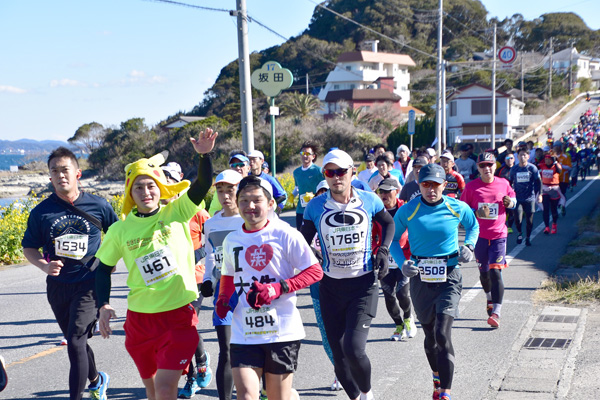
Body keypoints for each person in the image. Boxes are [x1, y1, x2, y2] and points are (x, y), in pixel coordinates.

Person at [95, 129, 217, 400]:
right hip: (140, 320)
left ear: (160, 188)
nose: (146, 192)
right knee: (152, 391)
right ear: (130, 191)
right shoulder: (119, 230)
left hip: (179, 315)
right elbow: (102, 269)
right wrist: (103, 304)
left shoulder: (178, 211)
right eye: (138, 186)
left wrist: (205, 155)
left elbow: (202, 183)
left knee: (164, 388)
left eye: (151, 185)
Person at [21, 146, 117, 400]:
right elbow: (28, 246)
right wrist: (44, 265)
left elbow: (119, 235)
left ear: (78, 173)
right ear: (50, 177)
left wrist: (110, 262)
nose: (60, 175)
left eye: (65, 170)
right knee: (78, 342)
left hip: (90, 282)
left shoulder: (98, 205)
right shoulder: (41, 212)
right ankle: (96, 380)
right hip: (58, 286)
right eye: (55, 171)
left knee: (75, 342)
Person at [214, 176, 323, 400]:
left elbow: (315, 271)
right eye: (243, 200)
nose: (250, 206)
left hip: (281, 331)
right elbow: (227, 274)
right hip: (244, 331)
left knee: (277, 398)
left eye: (257, 200)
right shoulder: (232, 240)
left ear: (271, 204)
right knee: (246, 396)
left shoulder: (286, 234)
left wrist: (278, 288)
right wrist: (223, 299)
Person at [301, 149, 394, 400]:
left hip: (363, 285)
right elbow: (301, 241)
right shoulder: (315, 206)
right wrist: (310, 255)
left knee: (354, 349)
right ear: (325, 176)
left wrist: (383, 250)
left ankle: (367, 393)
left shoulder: (369, 200)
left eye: (341, 171)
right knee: (338, 356)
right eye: (330, 172)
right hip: (330, 288)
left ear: (352, 172)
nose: (336, 177)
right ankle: (355, 397)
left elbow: (388, 223)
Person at [390, 163, 479, 400]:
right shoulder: (408, 210)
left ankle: (445, 393)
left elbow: (473, 225)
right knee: (430, 336)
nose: (431, 189)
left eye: (436, 185)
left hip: (449, 275)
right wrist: (403, 263)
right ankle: (437, 378)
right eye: (426, 184)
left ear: (444, 185)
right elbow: (393, 239)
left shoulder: (455, 206)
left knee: (442, 333)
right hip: (420, 278)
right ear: (419, 185)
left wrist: (469, 246)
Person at [161, 162, 213, 399]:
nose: (167, 183)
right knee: (175, 330)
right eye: (163, 179)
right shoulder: (158, 214)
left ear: (179, 181)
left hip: (195, 278)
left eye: (170, 178)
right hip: (168, 280)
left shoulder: (197, 211)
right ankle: (198, 362)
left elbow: (212, 240)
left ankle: (195, 372)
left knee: (187, 326)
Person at [199, 170, 244, 400]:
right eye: (220, 190)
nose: (225, 195)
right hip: (223, 292)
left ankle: (263, 389)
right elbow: (211, 255)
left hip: (249, 290)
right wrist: (208, 280)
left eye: (230, 190)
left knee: (254, 347)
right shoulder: (211, 223)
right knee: (226, 350)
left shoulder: (251, 218)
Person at [460, 152, 516, 329]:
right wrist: (474, 213)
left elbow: (514, 200)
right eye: (483, 165)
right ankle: (489, 297)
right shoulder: (471, 187)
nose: (487, 168)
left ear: (495, 167)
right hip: (479, 237)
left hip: (499, 235)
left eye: (490, 165)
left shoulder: (503, 183)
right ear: (478, 168)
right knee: (484, 273)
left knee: (495, 272)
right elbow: (463, 210)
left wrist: (510, 203)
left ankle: (496, 312)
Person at [374, 178, 416, 341]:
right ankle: (398, 326)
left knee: (402, 294)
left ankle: (408, 317)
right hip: (385, 258)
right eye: (381, 191)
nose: (383, 195)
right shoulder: (377, 211)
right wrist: (377, 251)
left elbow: (414, 233)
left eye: (387, 191)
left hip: (403, 257)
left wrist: (413, 254)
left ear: (396, 191)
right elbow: (372, 235)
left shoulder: (405, 209)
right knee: (389, 295)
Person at [509, 148, 541, 246]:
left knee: (529, 220)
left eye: (524, 155)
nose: (522, 157)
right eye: (520, 155)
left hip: (529, 198)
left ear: (528, 156)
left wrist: (540, 194)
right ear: (517, 157)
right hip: (517, 197)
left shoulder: (532, 168)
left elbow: (539, 182)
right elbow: (509, 183)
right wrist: (509, 194)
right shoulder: (514, 169)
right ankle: (519, 233)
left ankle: (528, 237)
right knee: (517, 219)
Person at [292, 141, 322, 230]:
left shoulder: (318, 171)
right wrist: (292, 195)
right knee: (301, 236)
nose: (304, 156)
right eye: (302, 153)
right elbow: (297, 188)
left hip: (315, 209)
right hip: (301, 210)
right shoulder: (296, 172)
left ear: (313, 156)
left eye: (307, 153)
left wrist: (314, 196)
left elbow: (325, 188)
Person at [209, 152, 250, 216]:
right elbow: (212, 211)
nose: (238, 168)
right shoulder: (221, 188)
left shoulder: (256, 186)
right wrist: (226, 217)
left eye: (241, 165)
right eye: (233, 165)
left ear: (248, 168)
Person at [539, 153, 563, 234]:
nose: (547, 161)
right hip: (545, 188)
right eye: (546, 159)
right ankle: (546, 227)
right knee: (545, 208)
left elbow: (559, 171)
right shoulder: (542, 166)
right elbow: (536, 166)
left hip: (554, 188)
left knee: (553, 209)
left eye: (549, 159)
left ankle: (554, 224)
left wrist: (555, 162)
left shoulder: (556, 166)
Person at [553, 144, 571, 216]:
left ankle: (562, 206)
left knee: (562, 193)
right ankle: (558, 206)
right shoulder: (552, 157)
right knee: (555, 194)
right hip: (554, 179)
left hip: (563, 178)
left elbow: (570, 167)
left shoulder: (565, 157)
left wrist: (560, 165)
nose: (555, 148)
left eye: (557, 147)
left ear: (560, 148)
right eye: (554, 147)